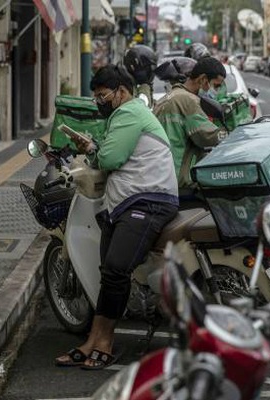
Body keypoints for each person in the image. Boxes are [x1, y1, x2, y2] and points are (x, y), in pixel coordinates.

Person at [55, 64, 179, 370]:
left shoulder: (129, 113)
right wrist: (94, 148)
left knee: (115, 270)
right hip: (126, 202)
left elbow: (111, 157)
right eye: (95, 95)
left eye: (101, 95)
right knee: (108, 274)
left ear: (121, 92)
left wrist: (98, 150)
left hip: (149, 201)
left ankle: (105, 343)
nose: (99, 101)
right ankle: (92, 341)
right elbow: (110, 154)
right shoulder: (125, 115)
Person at [154, 56, 227, 190]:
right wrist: (230, 134)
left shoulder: (167, 98)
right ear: (203, 79)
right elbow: (207, 136)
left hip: (160, 177)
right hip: (178, 182)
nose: (216, 91)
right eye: (215, 86)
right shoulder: (188, 100)